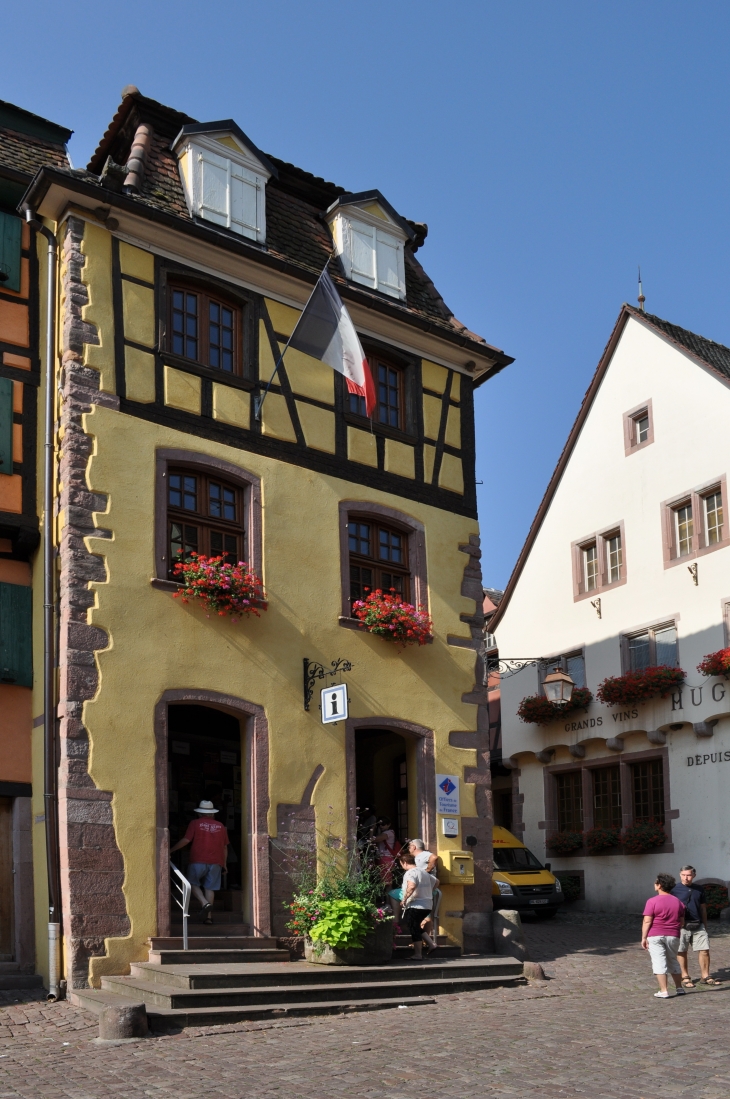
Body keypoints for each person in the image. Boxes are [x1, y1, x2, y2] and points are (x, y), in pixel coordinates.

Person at [170, 799, 229, 924]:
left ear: (199, 813)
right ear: (212, 813)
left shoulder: (195, 823)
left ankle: (204, 903)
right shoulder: (221, 826)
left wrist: (170, 850)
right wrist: (224, 864)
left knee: (192, 883)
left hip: (198, 859)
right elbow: (225, 847)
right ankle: (208, 918)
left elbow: (186, 840)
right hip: (216, 862)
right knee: (210, 888)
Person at [673, 865, 722, 987]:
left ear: (694, 875)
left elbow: (703, 908)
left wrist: (705, 925)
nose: (686, 878)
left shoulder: (699, 889)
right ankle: (685, 976)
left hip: (698, 924)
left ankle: (705, 976)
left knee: (704, 950)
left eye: (689, 875)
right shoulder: (674, 890)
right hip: (681, 926)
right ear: (680, 875)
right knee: (681, 951)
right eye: (684, 875)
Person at [641, 873, 686, 998]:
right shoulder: (678, 902)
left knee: (659, 962)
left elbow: (647, 921)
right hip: (673, 935)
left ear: (659, 885)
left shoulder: (652, 901)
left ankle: (664, 990)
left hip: (655, 935)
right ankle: (679, 987)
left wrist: (644, 937)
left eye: (656, 883)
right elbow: (682, 922)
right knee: (673, 960)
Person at [399, 852, 437, 960]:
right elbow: (436, 882)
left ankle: (418, 954)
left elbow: (411, 886)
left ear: (404, 863)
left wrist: (404, 899)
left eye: (401, 864)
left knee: (413, 927)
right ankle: (431, 944)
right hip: (427, 904)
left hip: (416, 904)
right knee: (414, 925)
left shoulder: (411, 872)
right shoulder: (424, 872)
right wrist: (428, 892)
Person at [372, 818, 400, 887]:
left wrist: (372, 830)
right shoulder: (386, 833)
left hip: (386, 858)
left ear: (389, 825)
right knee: (384, 882)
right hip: (385, 858)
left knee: (386, 883)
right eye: (379, 825)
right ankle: (386, 897)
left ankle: (388, 897)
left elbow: (373, 839)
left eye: (383, 824)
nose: (381, 826)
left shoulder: (388, 833)